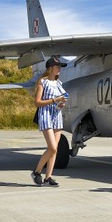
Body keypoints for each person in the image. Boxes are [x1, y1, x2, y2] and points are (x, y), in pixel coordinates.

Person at [30, 56, 69, 187]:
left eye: (60, 68)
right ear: (50, 68)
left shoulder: (59, 83)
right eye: (58, 67)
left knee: (55, 149)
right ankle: (36, 172)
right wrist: (54, 100)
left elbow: (59, 100)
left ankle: (48, 177)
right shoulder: (43, 82)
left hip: (56, 115)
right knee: (52, 147)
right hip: (46, 115)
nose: (59, 70)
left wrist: (61, 103)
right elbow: (37, 102)